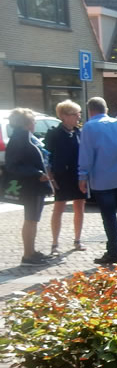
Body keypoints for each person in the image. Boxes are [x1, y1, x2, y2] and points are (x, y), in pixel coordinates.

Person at [78, 97, 117, 265]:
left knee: (109, 216)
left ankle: (113, 252)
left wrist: (82, 176)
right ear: (106, 109)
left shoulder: (89, 127)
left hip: (101, 180)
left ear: (90, 111)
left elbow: (86, 154)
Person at [4, 108, 54, 266]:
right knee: (31, 219)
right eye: (33, 121)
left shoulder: (25, 136)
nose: (35, 124)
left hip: (35, 184)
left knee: (33, 219)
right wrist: (36, 173)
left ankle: (31, 252)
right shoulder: (19, 138)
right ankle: (28, 255)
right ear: (26, 123)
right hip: (31, 185)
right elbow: (12, 165)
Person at [45, 100, 87, 254]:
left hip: (77, 175)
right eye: (74, 114)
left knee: (79, 206)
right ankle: (55, 243)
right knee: (59, 208)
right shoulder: (53, 134)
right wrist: (50, 175)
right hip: (61, 175)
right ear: (63, 116)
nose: (78, 117)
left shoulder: (79, 133)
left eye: (79, 114)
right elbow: (47, 156)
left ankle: (77, 240)